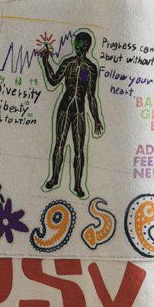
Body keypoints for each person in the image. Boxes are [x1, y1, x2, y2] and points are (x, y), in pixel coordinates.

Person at [39, 30, 103, 197]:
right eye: (76, 42)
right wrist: (45, 62)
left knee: (79, 148)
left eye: (81, 43)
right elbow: (53, 80)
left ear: (87, 46)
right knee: (59, 143)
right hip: (64, 108)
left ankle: (78, 185)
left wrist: (96, 119)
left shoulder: (90, 68)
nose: (77, 46)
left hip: (79, 111)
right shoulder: (68, 63)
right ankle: (54, 178)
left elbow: (91, 96)